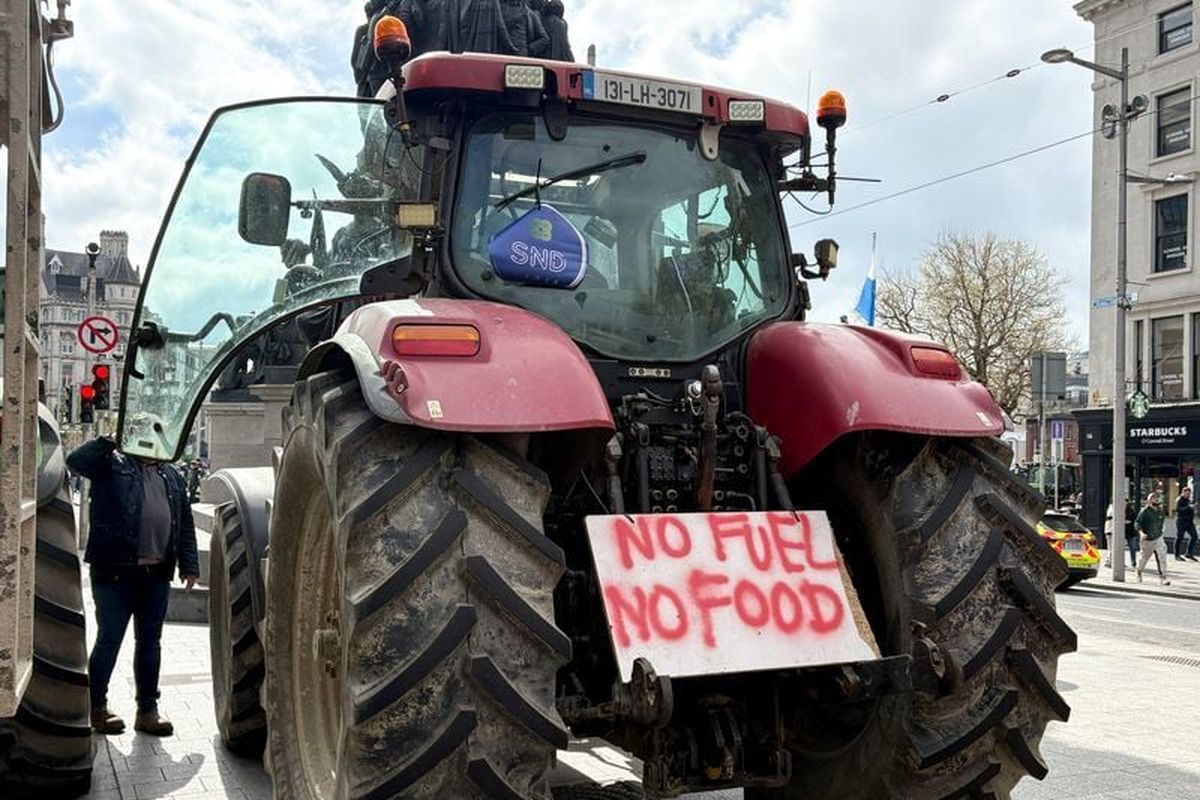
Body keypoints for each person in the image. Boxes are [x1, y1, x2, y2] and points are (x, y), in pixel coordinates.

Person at [66, 438, 200, 736]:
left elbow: (185, 522)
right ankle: (97, 708)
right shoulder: (112, 465)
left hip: (156, 575)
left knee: (151, 644)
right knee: (109, 641)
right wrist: (110, 440)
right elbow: (76, 461)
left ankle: (148, 711)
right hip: (115, 574)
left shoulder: (172, 475)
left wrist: (189, 565)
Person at [1134, 492, 1171, 586]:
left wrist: (1162, 531)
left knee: (1162, 556)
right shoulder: (1144, 511)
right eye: (1153, 498)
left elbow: (1162, 522)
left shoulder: (1160, 511)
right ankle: (1139, 571)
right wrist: (1141, 533)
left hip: (1158, 537)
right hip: (1147, 539)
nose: (1156, 500)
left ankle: (1163, 577)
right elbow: (1137, 523)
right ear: (1149, 500)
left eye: (1156, 498)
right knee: (1144, 558)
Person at [1176, 484, 1199, 561]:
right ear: (1183, 492)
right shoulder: (1179, 500)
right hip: (1181, 522)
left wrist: (1194, 509)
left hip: (1189, 522)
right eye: (1187, 493)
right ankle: (1177, 555)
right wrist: (1188, 507)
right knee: (1180, 538)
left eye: (1189, 493)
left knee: (1194, 536)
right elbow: (1179, 509)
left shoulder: (1189, 501)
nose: (1188, 495)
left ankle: (1189, 553)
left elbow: (1190, 510)